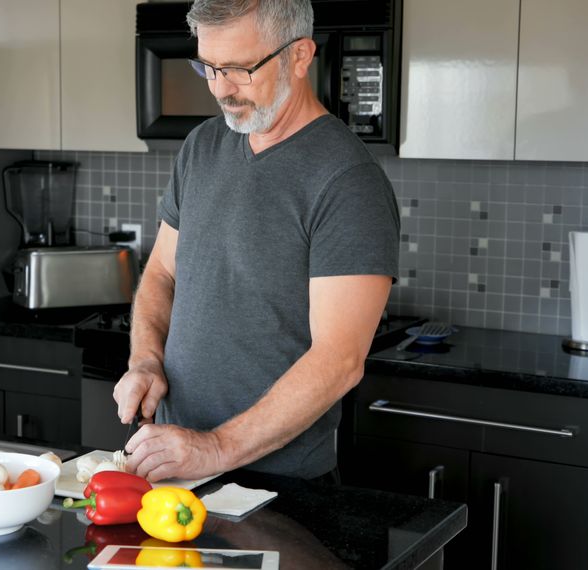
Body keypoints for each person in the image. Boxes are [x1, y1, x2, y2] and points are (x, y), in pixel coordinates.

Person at [114, 0, 399, 483]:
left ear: (301, 56)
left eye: (241, 69)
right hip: (173, 464)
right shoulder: (202, 146)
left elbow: (340, 361)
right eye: (209, 66)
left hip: (279, 485)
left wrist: (215, 449)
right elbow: (162, 272)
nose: (221, 89)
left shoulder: (348, 180)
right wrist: (146, 359)